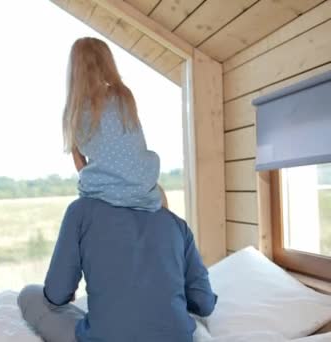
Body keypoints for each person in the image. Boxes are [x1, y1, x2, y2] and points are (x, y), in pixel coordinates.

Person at [17, 38, 217, 342]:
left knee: (30, 295)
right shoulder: (175, 224)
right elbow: (203, 303)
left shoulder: (81, 213)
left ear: (83, 150)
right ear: (135, 137)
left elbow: (57, 295)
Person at [64, 37, 164, 211]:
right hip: (140, 183)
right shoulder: (124, 96)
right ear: (107, 64)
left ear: (74, 70)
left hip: (102, 191)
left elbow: (80, 164)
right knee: (159, 192)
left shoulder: (73, 110)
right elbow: (136, 144)